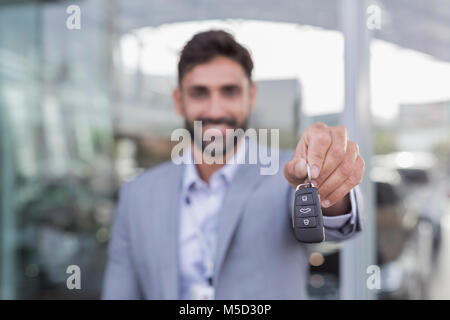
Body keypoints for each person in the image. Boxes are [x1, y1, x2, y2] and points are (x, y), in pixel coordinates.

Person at [102, 30, 364, 300]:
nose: (215, 110)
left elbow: (333, 224)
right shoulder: (137, 196)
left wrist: (328, 180)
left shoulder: (288, 174)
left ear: (251, 96)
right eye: (199, 93)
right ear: (179, 101)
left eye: (229, 92)